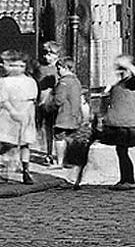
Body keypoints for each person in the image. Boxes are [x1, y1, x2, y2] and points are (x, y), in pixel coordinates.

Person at [0, 49, 37, 184]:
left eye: (21, 66)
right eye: (13, 65)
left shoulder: (29, 81)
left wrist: (22, 113)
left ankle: (26, 171)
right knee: (8, 144)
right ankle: (6, 172)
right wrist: (13, 111)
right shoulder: (4, 82)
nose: (17, 69)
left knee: (25, 144)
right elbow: (3, 99)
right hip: (9, 115)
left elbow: (31, 99)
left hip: (25, 114)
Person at [97, 55, 135, 191]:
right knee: (121, 151)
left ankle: (129, 180)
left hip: (125, 123)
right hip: (119, 121)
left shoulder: (131, 82)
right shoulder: (120, 83)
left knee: (123, 152)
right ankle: (125, 179)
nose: (119, 71)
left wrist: (127, 65)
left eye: (122, 69)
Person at [49, 55, 86, 184]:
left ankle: (60, 161)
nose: (58, 71)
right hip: (75, 114)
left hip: (64, 114)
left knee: (59, 136)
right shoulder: (76, 81)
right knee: (71, 137)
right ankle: (71, 161)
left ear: (64, 68)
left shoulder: (63, 82)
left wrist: (51, 99)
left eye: (59, 68)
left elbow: (59, 100)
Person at [34, 40, 61, 164]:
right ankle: (49, 152)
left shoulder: (60, 67)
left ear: (57, 55)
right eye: (45, 54)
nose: (46, 57)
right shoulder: (40, 68)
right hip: (44, 101)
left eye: (50, 54)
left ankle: (59, 154)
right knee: (47, 128)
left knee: (60, 130)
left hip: (58, 102)